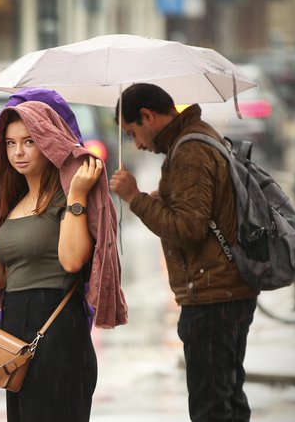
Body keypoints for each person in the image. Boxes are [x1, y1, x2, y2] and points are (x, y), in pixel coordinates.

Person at [0, 101, 127, 422]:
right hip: (15, 333)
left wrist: (76, 197)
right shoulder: (15, 201)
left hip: (57, 330)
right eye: (10, 143)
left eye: (29, 142)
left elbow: (72, 260)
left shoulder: (65, 196)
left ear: (48, 143)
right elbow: (3, 278)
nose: (18, 152)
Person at [109, 83, 259, 422]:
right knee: (228, 398)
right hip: (226, 290)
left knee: (211, 407)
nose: (137, 144)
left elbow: (189, 230)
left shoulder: (189, 151)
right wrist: (162, 199)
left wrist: (136, 198)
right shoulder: (197, 137)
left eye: (133, 132)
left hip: (211, 297)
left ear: (148, 116)